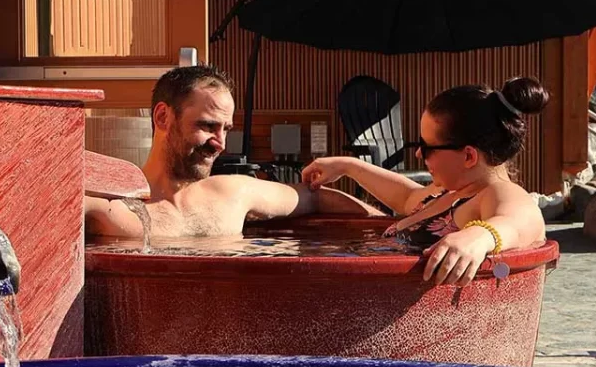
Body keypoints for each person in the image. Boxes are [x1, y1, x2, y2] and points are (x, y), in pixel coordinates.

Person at [85, 64, 382, 239]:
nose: (220, 143)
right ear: (163, 118)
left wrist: (393, 234)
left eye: (225, 129)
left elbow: (316, 196)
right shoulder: (111, 206)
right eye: (207, 126)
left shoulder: (233, 193)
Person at [302, 77, 548, 287]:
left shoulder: (499, 193)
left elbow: (520, 220)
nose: (419, 154)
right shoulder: (450, 193)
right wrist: (348, 166)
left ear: (468, 156)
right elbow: (406, 197)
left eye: (427, 147)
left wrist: (480, 236)